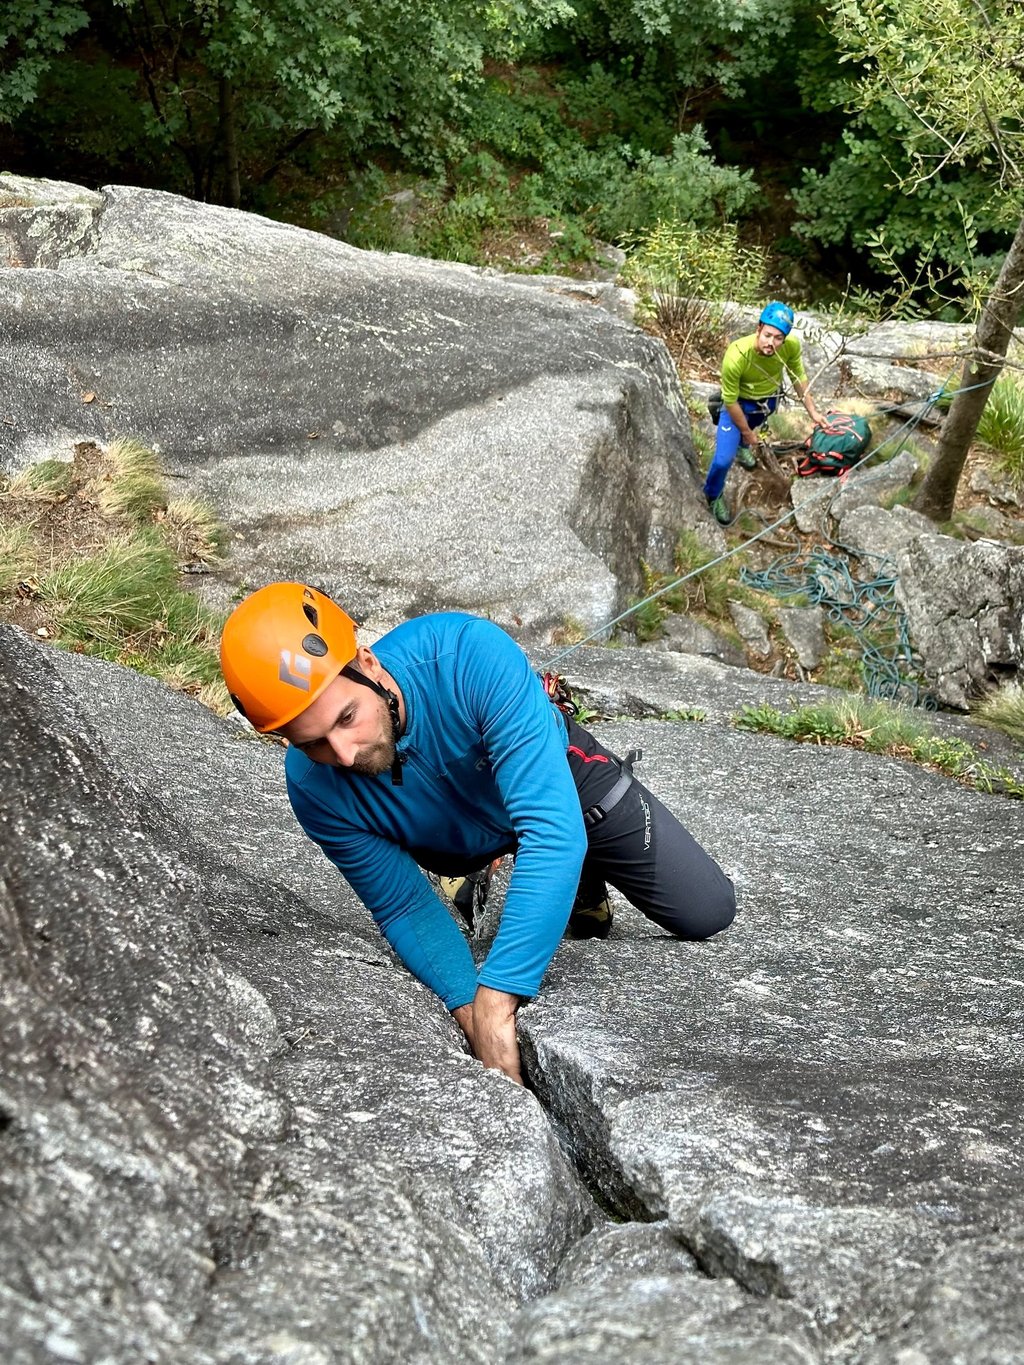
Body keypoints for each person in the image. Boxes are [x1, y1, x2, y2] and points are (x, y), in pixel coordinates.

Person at [220, 583, 737, 1083]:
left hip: (562, 789)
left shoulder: (467, 654)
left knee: (706, 908)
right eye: (313, 744)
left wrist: (499, 996)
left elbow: (552, 831)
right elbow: (403, 907)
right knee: (499, 871)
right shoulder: (314, 789)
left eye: (347, 717)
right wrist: (470, 1010)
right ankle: (512, 875)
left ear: (368, 664)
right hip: (451, 842)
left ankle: (576, 870)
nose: (346, 754)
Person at [704, 300, 826, 525]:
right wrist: (747, 434)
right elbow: (730, 401)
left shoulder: (790, 348)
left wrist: (813, 413)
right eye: (768, 335)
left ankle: (741, 447)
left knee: (751, 428)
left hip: (765, 402)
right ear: (758, 328)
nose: (771, 343)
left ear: (785, 339)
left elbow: (798, 376)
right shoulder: (737, 355)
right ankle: (712, 494)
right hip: (737, 406)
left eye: (778, 338)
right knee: (722, 460)